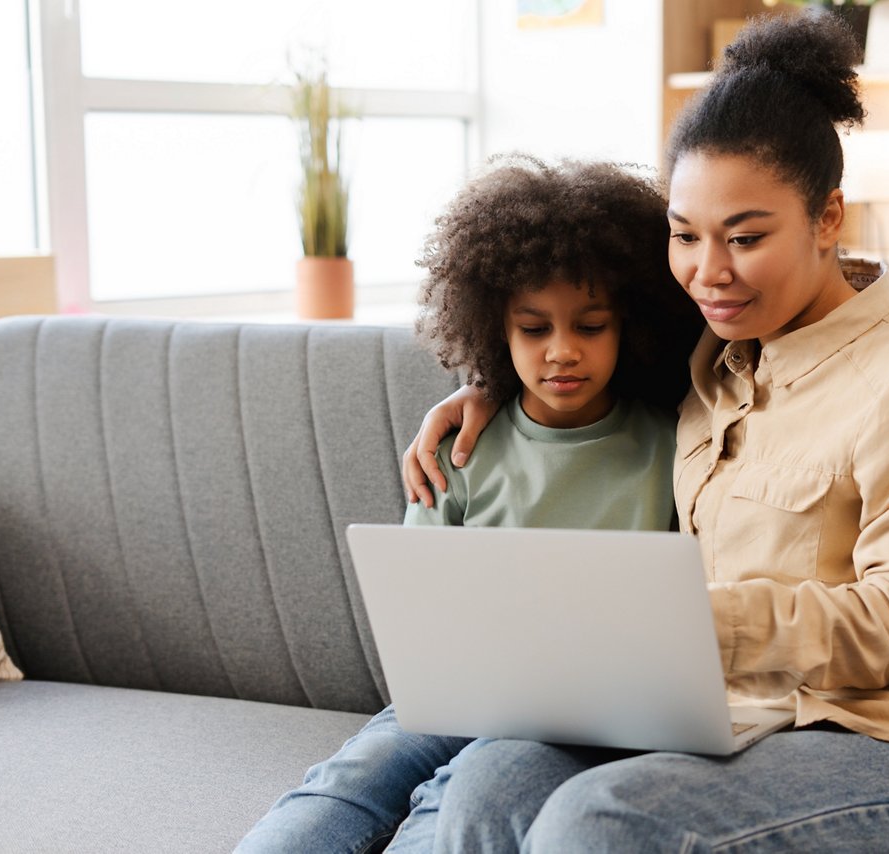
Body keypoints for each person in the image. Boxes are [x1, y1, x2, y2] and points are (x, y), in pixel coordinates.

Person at [402, 10, 889, 853]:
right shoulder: (711, 363)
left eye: (746, 237)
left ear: (829, 216)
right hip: (730, 723)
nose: (708, 272)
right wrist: (487, 388)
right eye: (684, 235)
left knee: (600, 821)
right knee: (492, 776)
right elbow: (571, 348)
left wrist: (696, 621)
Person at [235, 155, 702, 854]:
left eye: (591, 325)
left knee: (454, 802)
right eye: (534, 328)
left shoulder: (671, 447)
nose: (562, 352)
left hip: (586, 721)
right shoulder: (461, 450)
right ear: (495, 331)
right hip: (450, 701)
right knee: (348, 780)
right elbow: (419, 620)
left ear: (629, 324)